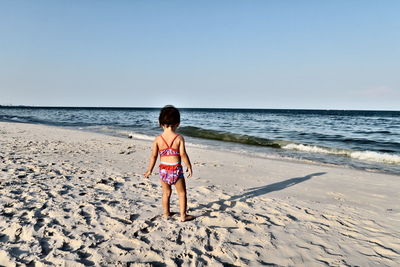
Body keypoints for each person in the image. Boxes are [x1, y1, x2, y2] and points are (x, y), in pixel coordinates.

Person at [144, 105, 194, 222]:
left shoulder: (158, 139)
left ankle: (166, 214)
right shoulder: (179, 138)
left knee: (166, 193)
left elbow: (154, 156)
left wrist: (149, 170)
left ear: (161, 123)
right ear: (178, 123)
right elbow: (183, 154)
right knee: (182, 193)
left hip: (164, 170)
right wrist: (189, 166)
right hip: (176, 170)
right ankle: (183, 215)